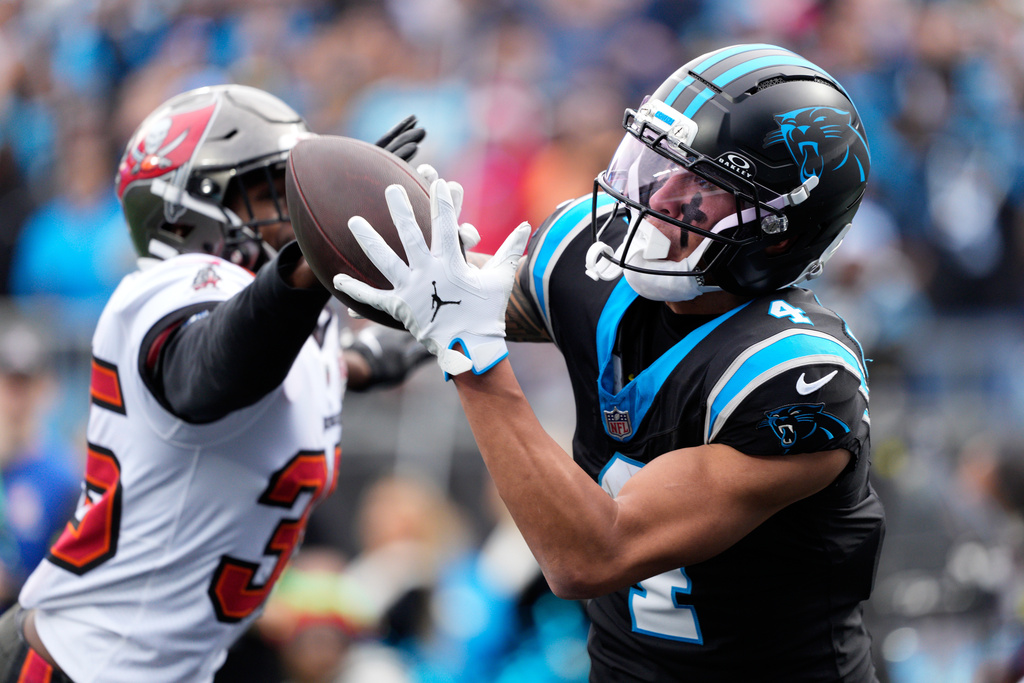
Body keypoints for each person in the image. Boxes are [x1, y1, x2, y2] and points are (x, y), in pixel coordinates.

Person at [333, 44, 886, 681]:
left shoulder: (798, 379)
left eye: (702, 186)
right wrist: (358, 247)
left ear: (780, 233)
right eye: (660, 161)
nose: (658, 195)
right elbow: (462, 298)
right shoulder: (588, 258)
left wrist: (469, 356)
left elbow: (590, 554)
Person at [0, 84, 428, 683]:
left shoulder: (299, 326)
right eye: (269, 186)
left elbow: (340, 362)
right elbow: (215, 370)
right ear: (189, 212)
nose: (296, 202)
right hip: (73, 667)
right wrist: (311, 260)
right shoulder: (169, 291)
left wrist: (445, 308)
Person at [0, 319, 80, 608]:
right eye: (9, 384)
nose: (16, 399)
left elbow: (72, 577)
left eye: (25, 385)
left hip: (25, 633)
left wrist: (15, 584)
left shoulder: (64, 480)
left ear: (45, 388)